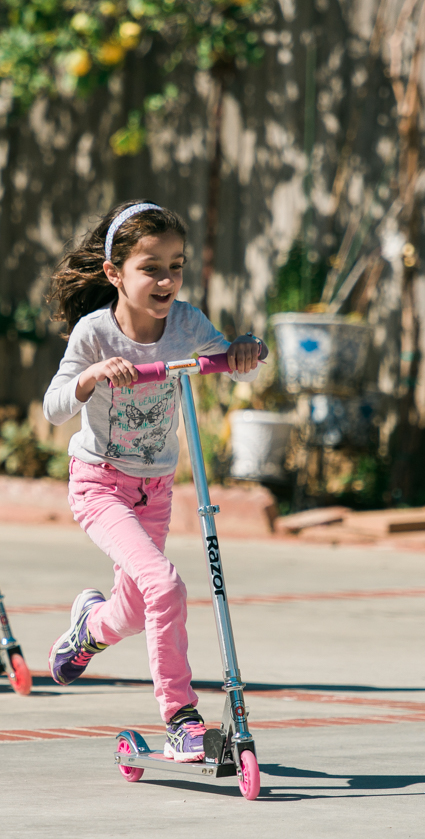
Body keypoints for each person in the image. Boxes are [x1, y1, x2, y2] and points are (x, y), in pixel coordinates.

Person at [40, 200, 266, 762]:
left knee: (141, 607)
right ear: (115, 274)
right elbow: (53, 406)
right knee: (165, 585)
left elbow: (229, 356)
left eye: (177, 265)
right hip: (100, 483)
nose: (167, 279)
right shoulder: (95, 333)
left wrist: (242, 351)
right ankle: (181, 718)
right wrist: (91, 376)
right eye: (151, 267)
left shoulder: (187, 323)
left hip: (156, 489)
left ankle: (88, 630)